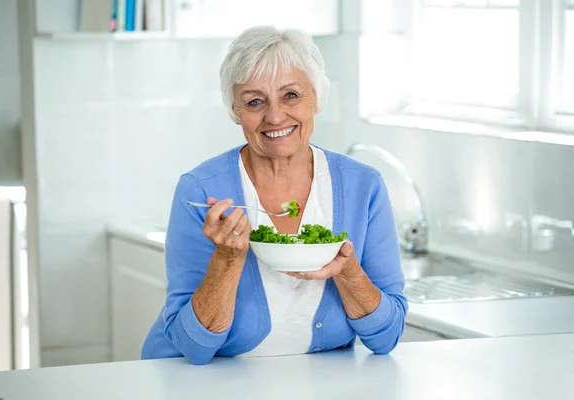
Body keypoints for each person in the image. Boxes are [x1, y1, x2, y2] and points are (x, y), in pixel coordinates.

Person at [141, 26, 408, 365]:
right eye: (255, 101)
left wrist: (346, 270)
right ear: (236, 111)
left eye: (291, 95)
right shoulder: (201, 189)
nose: (275, 116)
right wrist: (227, 258)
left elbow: (386, 338)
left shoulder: (363, 186)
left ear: (317, 97)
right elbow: (193, 347)